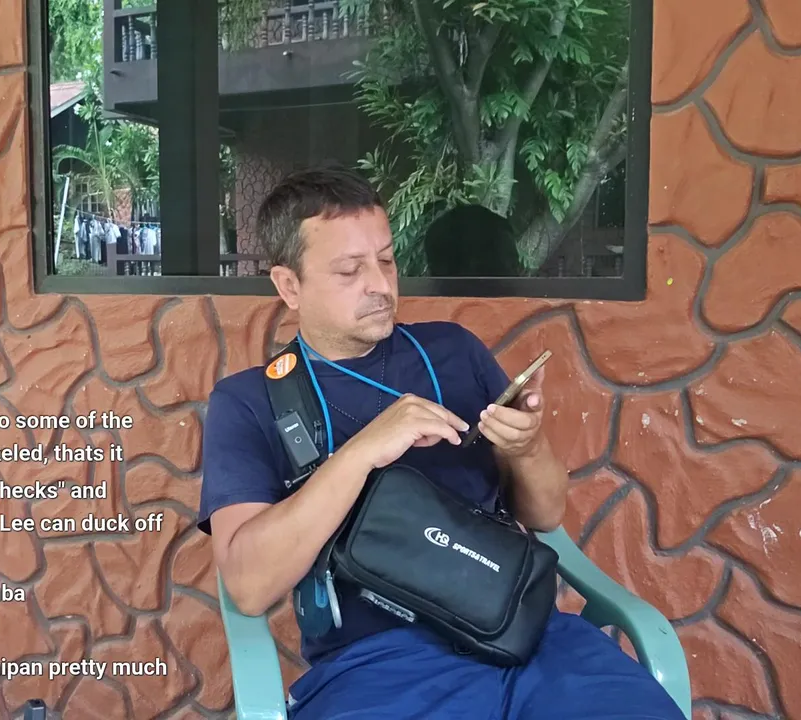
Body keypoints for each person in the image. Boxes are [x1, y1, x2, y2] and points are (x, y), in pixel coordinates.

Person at [198, 166, 685, 719]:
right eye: (350, 270)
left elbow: (546, 513)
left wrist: (526, 447)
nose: (380, 285)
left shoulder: (453, 350)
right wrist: (362, 452)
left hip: (526, 635)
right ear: (290, 286)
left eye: (386, 260)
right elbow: (248, 585)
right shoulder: (251, 401)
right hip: (379, 668)